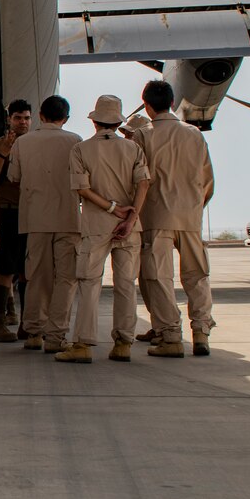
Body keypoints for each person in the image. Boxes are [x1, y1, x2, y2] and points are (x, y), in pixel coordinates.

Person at [63, 95, 149, 364]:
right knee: (126, 284)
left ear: (94, 122)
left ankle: (83, 345)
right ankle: (123, 342)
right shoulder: (133, 149)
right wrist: (131, 216)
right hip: (130, 227)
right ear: (118, 122)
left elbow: (82, 189)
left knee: (89, 284)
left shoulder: (80, 150)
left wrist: (112, 209)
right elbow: (144, 183)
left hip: (97, 225)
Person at [134, 79, 216, 356]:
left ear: (146, 105)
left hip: (156, 215)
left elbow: (136, 179)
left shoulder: (143, 134)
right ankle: (201, 331)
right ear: (172, 102)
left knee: (157, 277)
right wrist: (195, 207)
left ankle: (169, 333)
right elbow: (208, 179)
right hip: (191, 216)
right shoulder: (194, 133)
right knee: (197, 276)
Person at [6, 95, 81, 353]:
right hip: (69, 219)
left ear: (40, 115)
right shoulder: (76, 141)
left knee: (37, 276)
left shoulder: (23, 143)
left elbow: (13, 177)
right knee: (66, 278)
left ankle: (34, 332)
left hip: (35, 219)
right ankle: (56, 335)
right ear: (66, 118)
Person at [0, 100, 31, 340]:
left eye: (26, 118)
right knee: (4, 269)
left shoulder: (34, 145)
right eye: (18, 118)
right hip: (5, 212)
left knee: (26, 270)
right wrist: (4, 152)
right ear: (9, 119)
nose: (23, 122)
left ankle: (27, 324)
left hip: (29, 213)